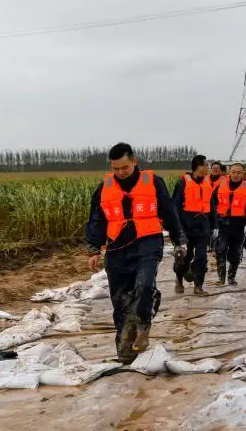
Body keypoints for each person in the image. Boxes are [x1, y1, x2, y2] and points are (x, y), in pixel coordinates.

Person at [85, 142, 186, 364]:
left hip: (147, 243)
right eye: (116, 169)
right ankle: (125, 352)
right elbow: (96, 219)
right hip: (116, 248)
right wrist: (93, 249)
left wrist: (180, 240)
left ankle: (143, 325)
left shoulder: (153, 183)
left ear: (134, 162)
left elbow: (169, 213)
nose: (121, 173)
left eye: (125, 167)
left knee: (145, 285)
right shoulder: (105, 187)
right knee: (120, 301)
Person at [172, 154, 212, 295]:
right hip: (186, 227)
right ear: (199, 167)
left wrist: (215, 226)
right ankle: (179, 279)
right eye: (206, 165)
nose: (208, 168)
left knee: (202, 257)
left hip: (203, 227)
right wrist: (177, 229)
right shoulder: (183, 183)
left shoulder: (208, 183)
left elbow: (212, 205)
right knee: (184, 257)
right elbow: (175, 207)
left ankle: (198, 285)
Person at [210, 163, 246, 286]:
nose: (235, 175)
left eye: (239, 172)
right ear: (230, 172)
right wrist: (212, 222)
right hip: (222, 224)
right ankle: (221, 278)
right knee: (221, 249)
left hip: (238, 225)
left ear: (243, 174)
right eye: (233, 172)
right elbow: (212, 204)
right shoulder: (220, 186)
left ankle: (231, 277)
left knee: (235, 253)